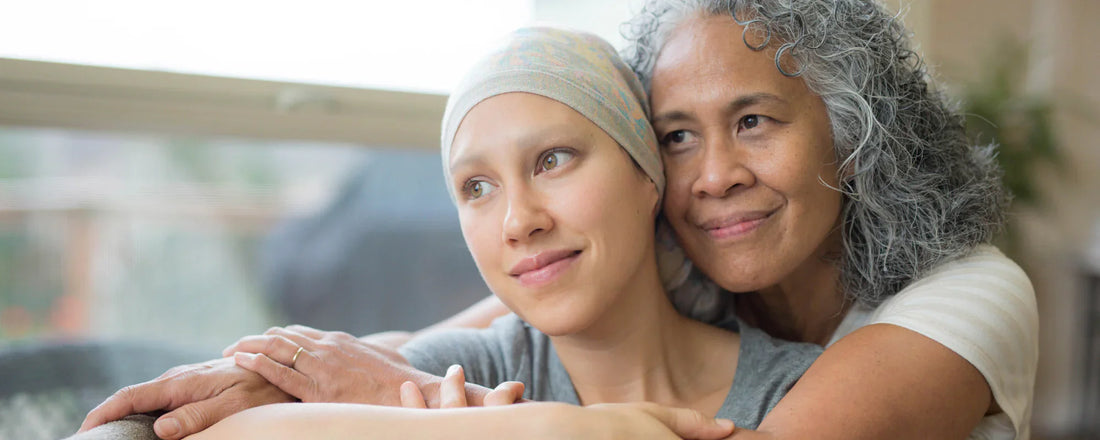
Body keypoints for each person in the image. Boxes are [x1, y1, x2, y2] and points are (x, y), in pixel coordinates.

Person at [80, 0, 1039, 439]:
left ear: (856, 138)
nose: (710, 176)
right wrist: (265, 373)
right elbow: (422, 348)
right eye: (676, 135)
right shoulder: (679, 263)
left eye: (752, 121)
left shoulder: (968, 294)